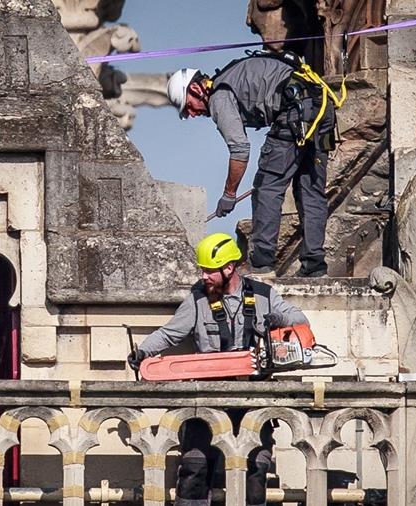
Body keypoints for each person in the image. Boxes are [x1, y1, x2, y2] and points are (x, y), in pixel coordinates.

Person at [127, 233, 309, 506]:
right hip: (206, 400)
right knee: (194, 469)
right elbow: (169, 334)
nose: (203, 276)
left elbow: (300, 320)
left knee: (256, 471)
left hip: (252, 400)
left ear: (229, 268)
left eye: (209, 270)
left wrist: (277, 318)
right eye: (202, 270)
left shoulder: (264, 295)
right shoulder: (197, 299)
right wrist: (143, 352)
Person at [166, 51, 338, 277]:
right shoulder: (231, 79)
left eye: (187, 105)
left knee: (267, 189)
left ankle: (261, 263)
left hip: (295, 113)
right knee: (310, 192)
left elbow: (239, 150)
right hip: (321, 108)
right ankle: (315, 267)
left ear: (196, 89)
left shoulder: (219, 96)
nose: (191, 114)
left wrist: (229, 194)